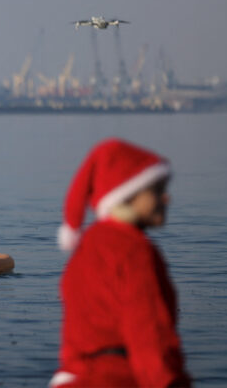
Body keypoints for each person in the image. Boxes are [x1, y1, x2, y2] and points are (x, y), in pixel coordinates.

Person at [51, 138, 191, 388]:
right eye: (156, 190)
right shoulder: (133, 250)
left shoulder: (87, 246)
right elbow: (148, 335)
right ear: (127, 196)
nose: (166, 198)